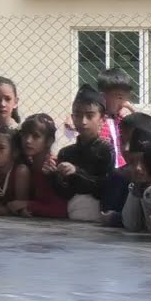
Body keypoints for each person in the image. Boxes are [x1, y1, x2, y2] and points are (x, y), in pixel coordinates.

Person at [53, 85, 113, 222]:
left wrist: (76, 172)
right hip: (71, 214)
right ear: (72, 118)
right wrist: (53, 175)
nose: (83, 121)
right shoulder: (66, 153)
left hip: (97, 212)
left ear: (102, 120)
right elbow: (65, 193)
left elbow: (103, 188)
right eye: (78, 115)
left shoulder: (105, 150)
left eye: (90, 116)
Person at [13, 113, 68, 219]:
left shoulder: (52, 167)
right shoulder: (28, 167)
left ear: (49, 141)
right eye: (25, 135)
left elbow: (60, 210)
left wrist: (28, 205)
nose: (28, 140)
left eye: (36, 136)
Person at [96, 68, 133, 169]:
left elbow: (141, 129)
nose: (124, 103)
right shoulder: (96, 120)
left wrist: (133, 111)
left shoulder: (122, 120)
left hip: (122, 169)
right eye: (120, 98)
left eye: (126, 98)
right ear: (103, 96)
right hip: (103, 169)